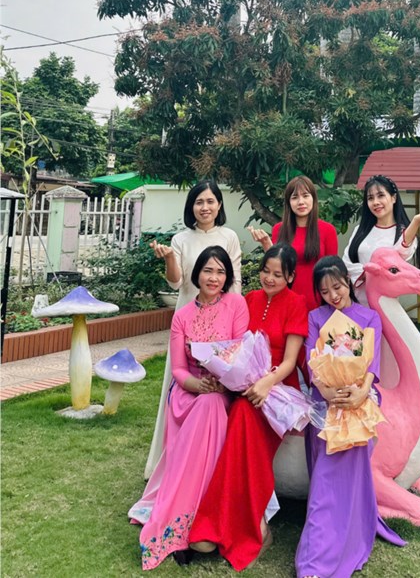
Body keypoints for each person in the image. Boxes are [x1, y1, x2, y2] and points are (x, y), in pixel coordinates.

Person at [187, 244, 309, 571]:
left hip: (278, 392)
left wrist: (266, 384)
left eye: (278, 274)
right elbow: (233, 348)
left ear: (290, 277)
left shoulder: (296, 303)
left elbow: (290, 361)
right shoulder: (248, 299)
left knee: (242, 417)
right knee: (240, 416)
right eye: (266, 271)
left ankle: (248, 526)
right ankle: (240, 523)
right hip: (243, 388)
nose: (270, 278)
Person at [129, 246, 249, 570]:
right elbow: (179, 370)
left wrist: (221, 384)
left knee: (211, 405)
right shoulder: (182, 315)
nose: (214, 278)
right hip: (188, 393)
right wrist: (198, 385)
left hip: (223, 391)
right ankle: (185, 521)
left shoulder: (236, 305)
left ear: (228, 277)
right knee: (206, 404)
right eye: (208, 270)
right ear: (197, 274)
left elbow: (240, 354)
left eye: (220, 272)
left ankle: (187, 517)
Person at [295, 256, 406, 578]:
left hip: (359, 402)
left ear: (348, 282)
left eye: (337, 287)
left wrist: (360, 393)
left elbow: (372, 364)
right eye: (325, 291)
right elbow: (312, 361)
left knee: (351, 474)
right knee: (325, 483)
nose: (333, 295)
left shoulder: (369, 317)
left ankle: (352, 534)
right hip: (326, 403)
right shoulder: (315, 317)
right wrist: (328, 392)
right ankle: (315, 561)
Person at [144, 180, 242, 478]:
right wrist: (170, 259)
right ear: (191, 206)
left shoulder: (229, 237)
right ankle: (170, 460)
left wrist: (230, 325)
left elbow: (234, 283)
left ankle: (212, 462)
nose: (205, 207)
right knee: (183, 383)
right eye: (199, 202)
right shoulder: (181, 239)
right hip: (187, 318)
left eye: (211, 201)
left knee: (217, 389)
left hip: (221, 321)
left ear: (219, 205)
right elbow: (176, 282)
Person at [342, 174, 420, 305]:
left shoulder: (403, 235)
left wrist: (416, 222)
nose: (375, 202)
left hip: (384, 306)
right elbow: (346, 263)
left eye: (381, 195)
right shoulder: (360, 230)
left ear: (393, 198)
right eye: (370, 198)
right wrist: (369, 272)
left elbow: (401, 251)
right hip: (356, 304)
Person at [248, 175, 337, 310]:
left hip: (319, 301)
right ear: (288, 202)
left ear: (313, 198)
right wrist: (266, 244)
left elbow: (333, 271)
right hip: (286, 301)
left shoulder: (328, 230)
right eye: (295, 197)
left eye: (305, 196)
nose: (301, 202)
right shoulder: (279, 229)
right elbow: (276, 266)